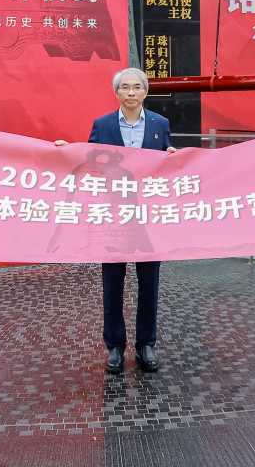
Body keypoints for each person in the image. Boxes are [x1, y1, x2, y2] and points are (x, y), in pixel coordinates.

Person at [55, 67, 176, 374]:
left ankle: (146, 344)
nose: (131, 92)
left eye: (137, 87)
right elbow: (88, 161)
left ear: (145, 91)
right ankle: (114, 346)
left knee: (149, 284)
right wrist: (65, 153)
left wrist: (174, 156)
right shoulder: (103, 125)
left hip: (147, 218)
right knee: (112, 283)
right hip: (110, 217)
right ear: (117, 92)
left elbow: (167, 164)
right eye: (125, 87)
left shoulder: (160, 124)